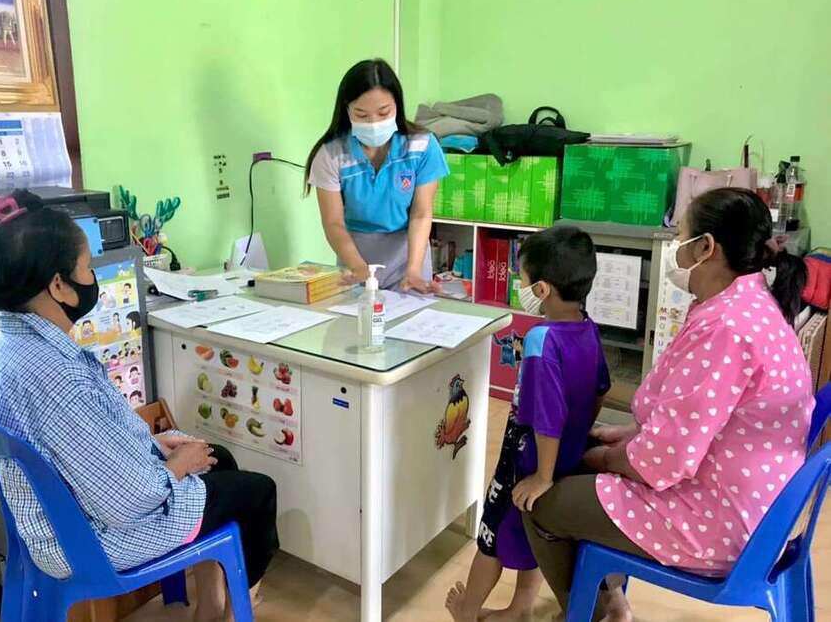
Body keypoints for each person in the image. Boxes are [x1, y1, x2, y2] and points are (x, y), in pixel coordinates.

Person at [0, 190, 278, 622]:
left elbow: (78, 444)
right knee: (257, 492)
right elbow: (128, 501)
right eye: (86, 268)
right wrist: (175, 467)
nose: (92, 277)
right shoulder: (55, 377)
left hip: (53, 518)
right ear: (58, 285)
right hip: (88, 541)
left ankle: (211, 601)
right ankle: (232, 608)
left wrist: (153, 444)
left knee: (217, 458)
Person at [523, 188, 814, 621]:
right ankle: (610, 598)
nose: (676, 249)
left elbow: (664, 460)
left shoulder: (725, 328)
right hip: (760, 507)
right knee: (580, 465)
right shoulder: (751, 305)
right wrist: (629, 435)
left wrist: (601, 457)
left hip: (723, 523)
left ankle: (599, 612)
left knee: (542, 504)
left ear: (706, 247)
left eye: (680, 237)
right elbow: (704, 418)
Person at [447, 227, 611, 622]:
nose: (519, 287)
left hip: (527, 460)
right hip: (565, 453)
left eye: (521, 279)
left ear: (541, 290)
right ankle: (520, 608)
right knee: (533, 531)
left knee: (491, 535)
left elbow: (546, 416)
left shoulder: (541, 339)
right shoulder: (588, 328)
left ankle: (467, 612)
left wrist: (542, 474)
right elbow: (601, 389)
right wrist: (576, 435)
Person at [306, 58, 449, 292]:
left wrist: (413, 270)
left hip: (407, 255)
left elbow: (421, 213)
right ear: (346, 110)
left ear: (397, 106)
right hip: (355, 254)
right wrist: (357, 266)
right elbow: (333, 223)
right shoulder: (331, 154)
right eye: (361, 115)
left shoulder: (422, 145)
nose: (373, 123)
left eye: (384, 112)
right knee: (356, 313)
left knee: (410, 314)